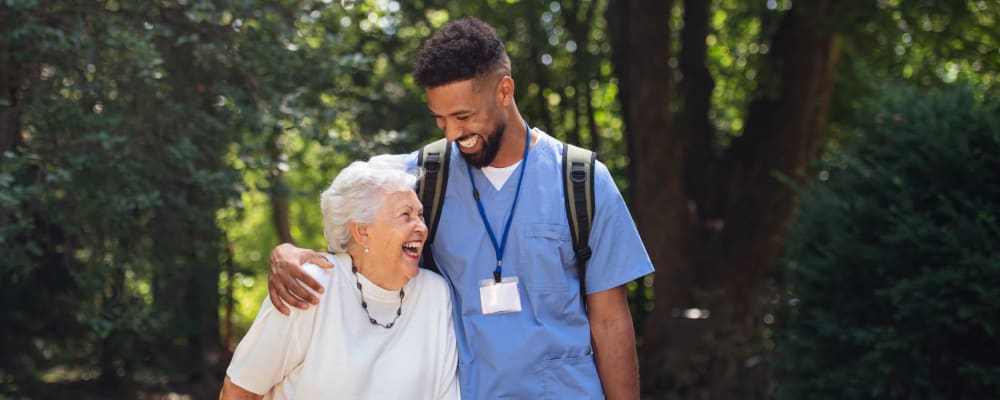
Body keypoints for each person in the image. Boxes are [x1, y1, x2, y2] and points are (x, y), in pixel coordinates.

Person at [267, 17, 653, 399]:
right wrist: (285, 253)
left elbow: (610, 321)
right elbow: (346, 212)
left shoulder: (581, 181)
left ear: (504, 91)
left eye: (464, 117)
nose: (452, 134)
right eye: (440, 119)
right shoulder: (420, 178)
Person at [221, 156, 460, 399]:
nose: (421, 227)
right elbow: (239, 391)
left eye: (420, 215)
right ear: (362, 231)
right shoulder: (310, 286)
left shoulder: (435, 295)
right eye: (405, 215)